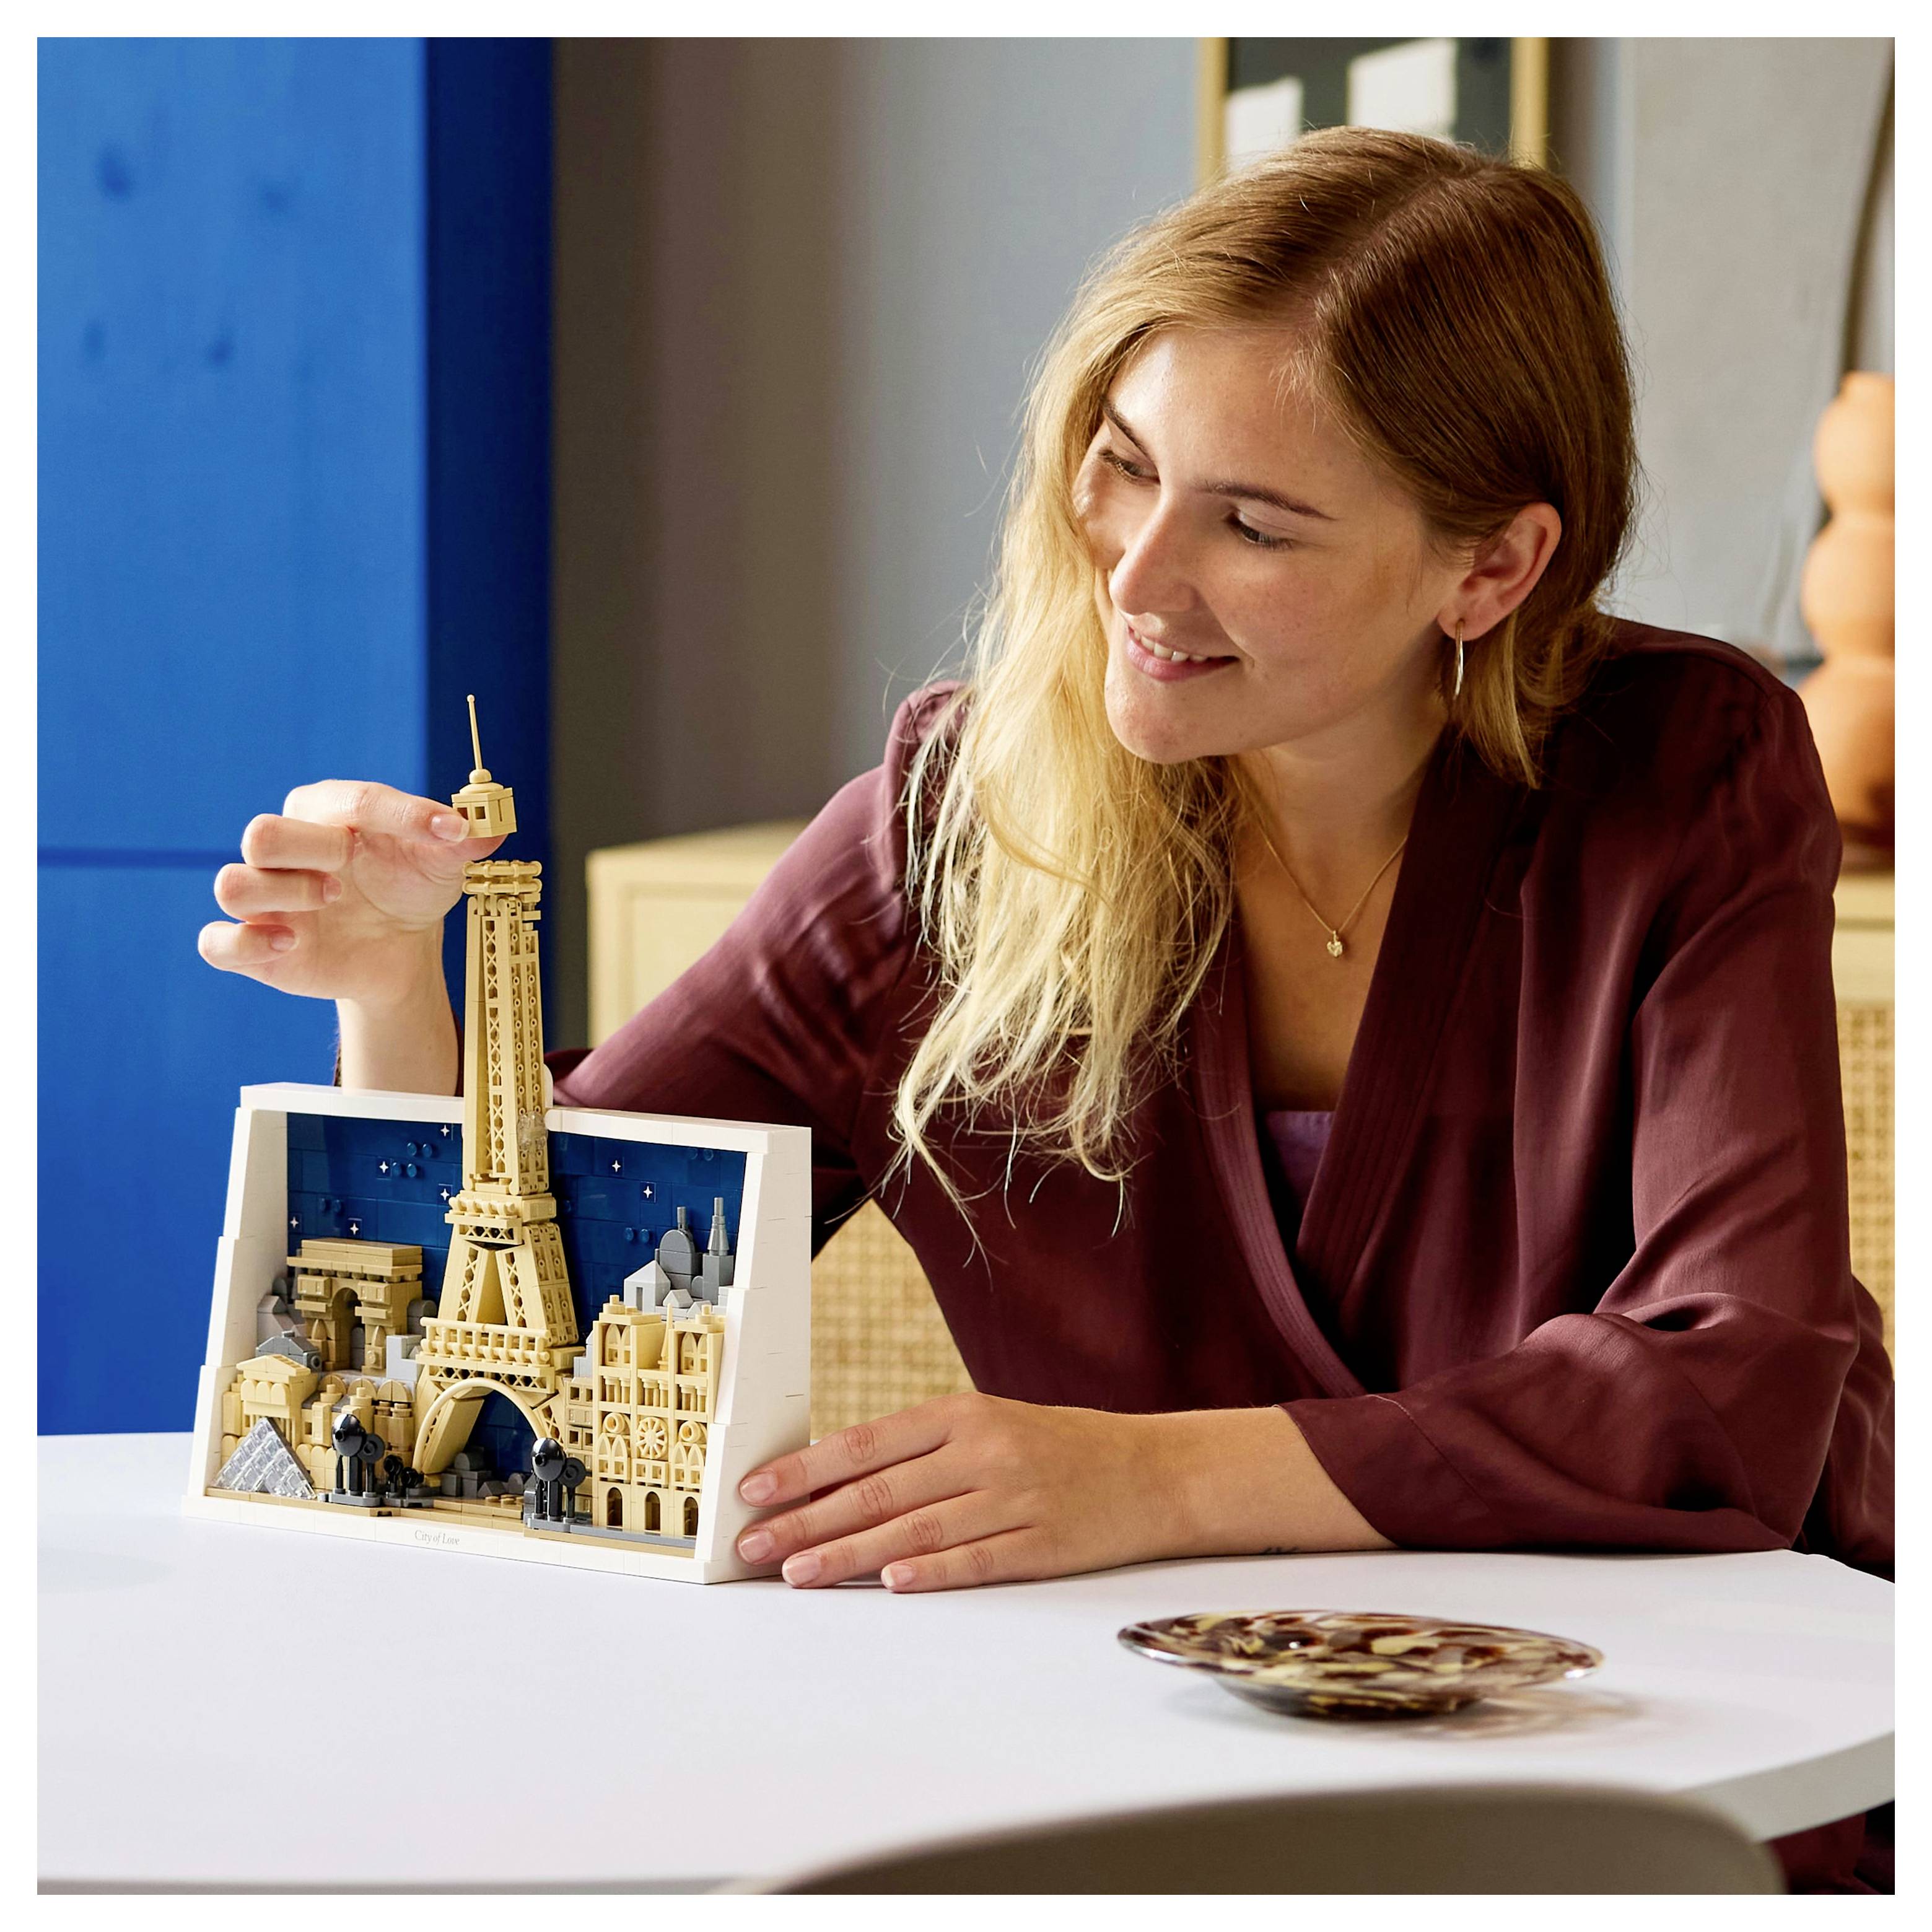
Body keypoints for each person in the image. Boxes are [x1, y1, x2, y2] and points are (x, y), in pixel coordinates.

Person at [200, 129, 1892, 1885]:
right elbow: (561, 1296)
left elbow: (1739, 1391)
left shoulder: (1682, 772)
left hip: (1687, 1754)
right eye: (1123, 466)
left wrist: (1153, 1482)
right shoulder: (956, 815)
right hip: (1149, 1768)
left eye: (1253, 521)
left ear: (1490, 568)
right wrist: (400, 987)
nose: (1138, 578)